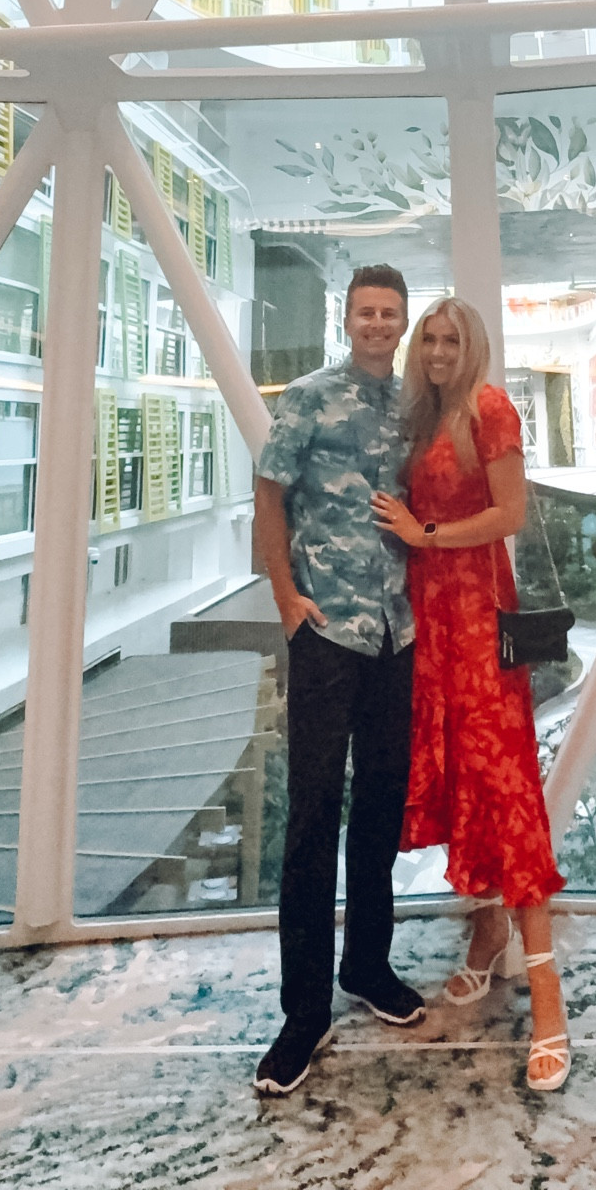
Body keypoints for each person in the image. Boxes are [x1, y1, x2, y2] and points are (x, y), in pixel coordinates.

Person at [371, 296, 570, 1094]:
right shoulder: (421, 417)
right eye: (431, 338)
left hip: (480, 623)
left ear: (474, 346)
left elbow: (511, 512)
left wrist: (426, 535)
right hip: (430, 631)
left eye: (452, 339)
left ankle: (550, 1007)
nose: (439, 349)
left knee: (506, 788)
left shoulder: (489, 408)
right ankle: (484, 944)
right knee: (462, 787)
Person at [250, 264, 424, 1096]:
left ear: (403, 321)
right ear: (345, 317)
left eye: (390, 313)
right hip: (326, 632)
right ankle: (303, 1013)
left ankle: (368, 967)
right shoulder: (309, 397)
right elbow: (269, 494)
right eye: (366, 312)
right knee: (313, 817)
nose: (378, 325)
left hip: (399, 634)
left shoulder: (414, 406)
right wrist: (285, 598)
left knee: (381, 807)